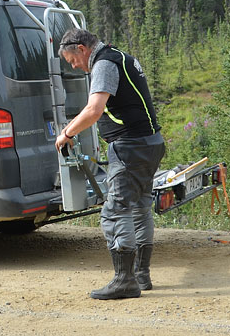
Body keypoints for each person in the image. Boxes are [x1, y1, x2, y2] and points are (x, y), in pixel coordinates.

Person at [54, 29, 165, 300]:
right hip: (150, 144)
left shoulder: (103, 64)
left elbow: (94, 110)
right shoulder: (121, 57)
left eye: (72, 60)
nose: (75, 67)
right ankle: (141, 275)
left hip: (130, 147)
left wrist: (67, 133)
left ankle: (124, 280)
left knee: (115, 211)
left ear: (82, 49)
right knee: (139, 207)